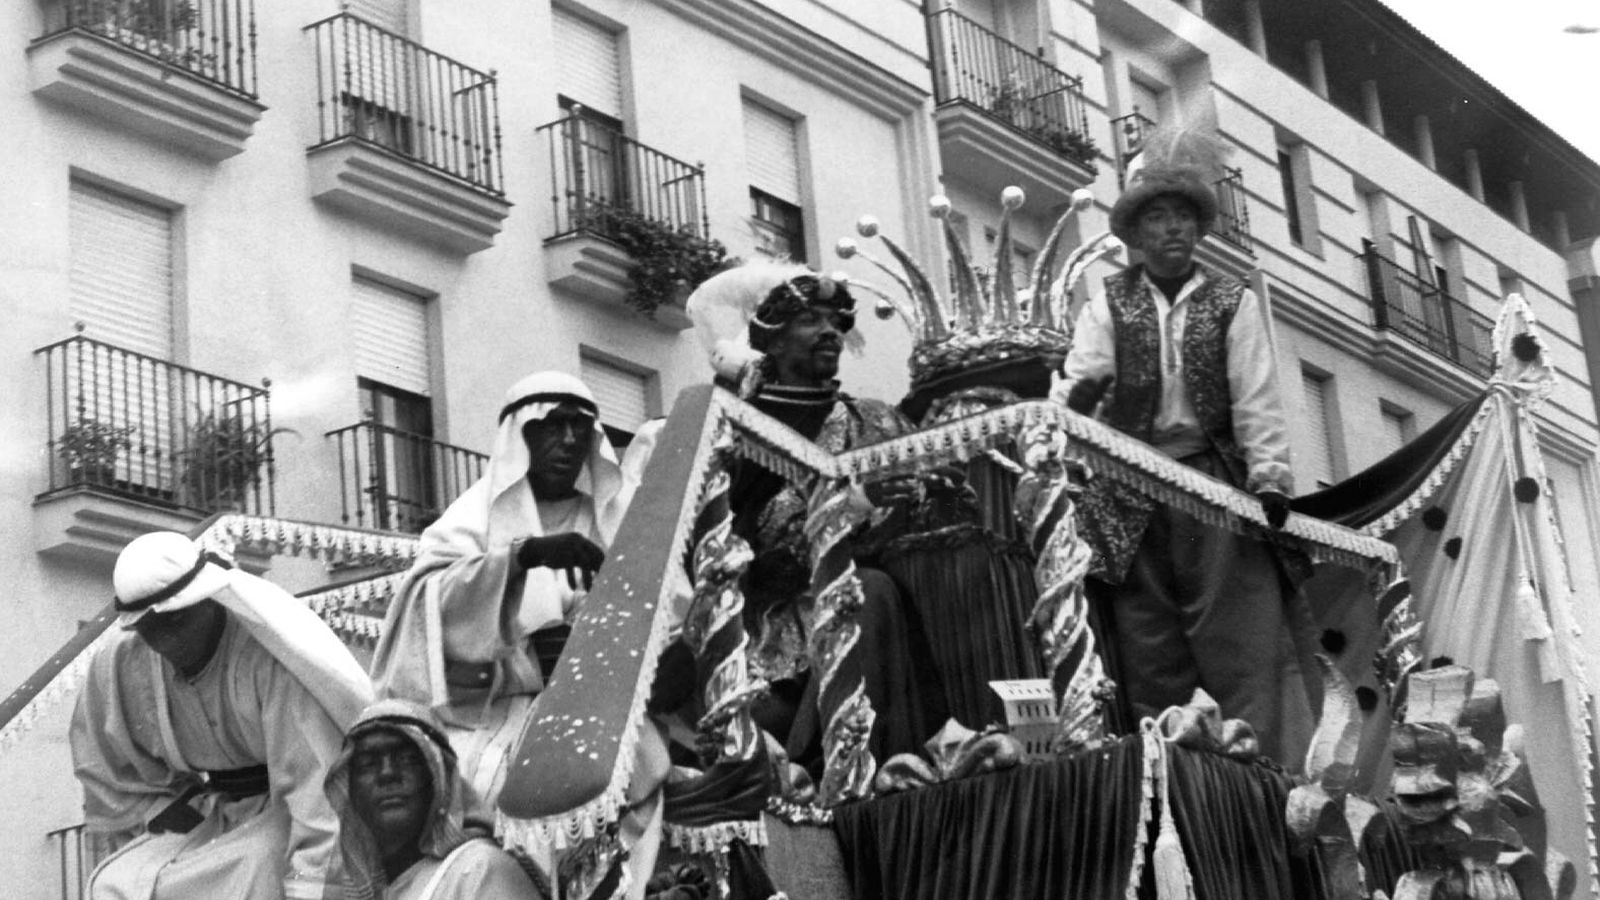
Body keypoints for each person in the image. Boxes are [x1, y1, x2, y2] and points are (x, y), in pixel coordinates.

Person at [1050, 127, 1302, 759]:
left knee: (1234, 630)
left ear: (1199, 228)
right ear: (1137, 233)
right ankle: (1165, 770)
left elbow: (1256, 396)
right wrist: (1073, 421)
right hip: (1131, 487)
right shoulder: (1107, 304)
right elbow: (1081, 385)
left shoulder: (1232, 301)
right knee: (1147, 636)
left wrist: (1269, 476)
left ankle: (1251, 765)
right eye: (1158, 218)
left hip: (1212, 483)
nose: (1173, 230)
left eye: (1183, 217)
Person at [369, 370, 667, 896]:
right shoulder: (473, 516)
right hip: (494, 711)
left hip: (603, 712)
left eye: (580, 427)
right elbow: (428, 603)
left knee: (632, 795)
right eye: (552, 425)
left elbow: (664, 609)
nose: (569, 440)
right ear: (521, 436)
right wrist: (521, 559)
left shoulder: (618, 517)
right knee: (465, 804)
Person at [686, 263, 949, 766]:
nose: (829, 331)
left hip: (880, 610)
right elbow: (727, 550)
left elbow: (918, 524)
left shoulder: (875, 420)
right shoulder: (735, 430)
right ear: (771, 339)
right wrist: (855, 505)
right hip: (774, 625)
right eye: (810, 320)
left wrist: (927, 497)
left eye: (835, 321)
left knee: (877, 588)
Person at [71, 530, 373, 900]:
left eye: (176, 622)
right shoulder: (125, 659)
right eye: (150, 630)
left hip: (289, 812)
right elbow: (105, 763)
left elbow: (316, 790)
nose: (166, 642)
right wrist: (159, 809)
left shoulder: (269, 656)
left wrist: (312, 886)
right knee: (115, 882)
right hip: (211, 811)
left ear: (209, 601)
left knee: (254, 869)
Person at [325, 699, 545, 900]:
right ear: (351, 789)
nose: (387, 773)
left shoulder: (479, 869)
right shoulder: (360, 890)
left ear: (438, 778)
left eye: (408, 759)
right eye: (367, 764)